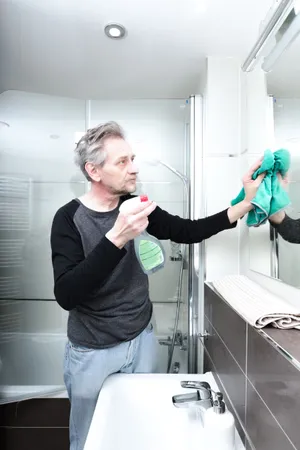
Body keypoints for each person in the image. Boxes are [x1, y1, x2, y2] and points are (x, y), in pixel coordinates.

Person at [50, 121, 264, 450]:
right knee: (88, 433)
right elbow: (67, 294)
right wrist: (117, 237)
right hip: (91, 349)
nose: (134, 168)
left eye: (132, 158)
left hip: (141, 339)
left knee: (137, 425)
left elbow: (188, 231)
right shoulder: (68, 219)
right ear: (94, 170)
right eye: (122, 161)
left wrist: (245, 204)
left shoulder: (136, 206)